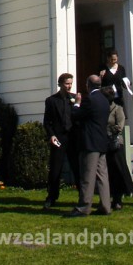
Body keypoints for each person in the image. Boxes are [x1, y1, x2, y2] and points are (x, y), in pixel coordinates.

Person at [69, 75, 112, 217]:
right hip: (102, 142)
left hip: (90, 143)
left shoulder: (90, 99)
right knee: (102, 176)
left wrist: (76, 103)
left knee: (88, 176)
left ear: (88, 85)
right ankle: (106, 206)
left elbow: (77, 115)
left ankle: (84, 207)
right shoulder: (105, 100)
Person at [43, 73, 80, 209]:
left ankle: (82, 196)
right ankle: (51, 196)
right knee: (55, 169)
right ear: (60, 84)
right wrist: (51, 135)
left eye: (71, 83)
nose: (69, 86)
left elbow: (79, 118)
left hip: (73, 138)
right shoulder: (51, 101)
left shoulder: (76, 98)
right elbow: (47, 122)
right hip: (59, 138)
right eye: (67, 83)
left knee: (77, 168)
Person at [102, 85, 133, 209]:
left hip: (115, 145)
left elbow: (119, 126)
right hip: (104, 144)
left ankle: (118, 198)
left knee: (118, 171)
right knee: (108, 172)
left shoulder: (118, 109)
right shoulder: (101, 109)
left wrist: (107, 130)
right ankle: (107, 198)